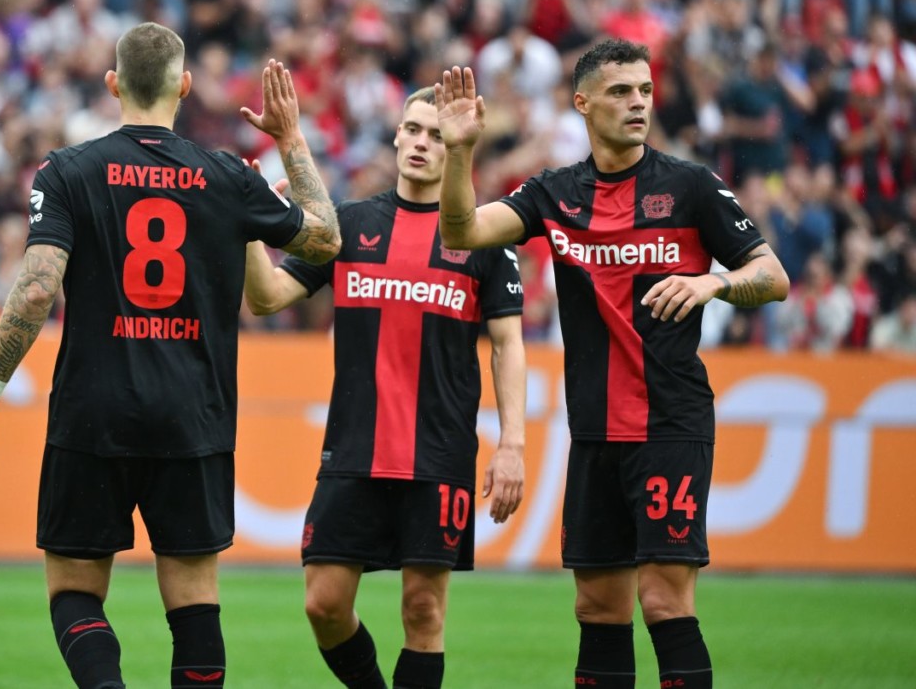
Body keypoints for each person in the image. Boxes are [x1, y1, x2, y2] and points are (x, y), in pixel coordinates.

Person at [0, 22, 340, 689]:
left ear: (112, 84)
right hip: (193, 413)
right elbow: (325, 241)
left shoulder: (66, 171)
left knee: (75, 590)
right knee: (194, 598)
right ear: (185, 86)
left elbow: (37, 285)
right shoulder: (225, 173)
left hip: (93, 410)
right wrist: (291, 139)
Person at [435, 40, 790, 689]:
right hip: (595, 432)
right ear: (582, 102)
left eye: (645, 91)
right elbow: (460, 231)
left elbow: (772, 275)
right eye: (622, 91)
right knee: (596, 606)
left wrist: (715, 284)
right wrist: (459, 152)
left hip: (670, 423)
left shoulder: (690, 185)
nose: (637, 103)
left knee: (663, 600)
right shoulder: (554, 192)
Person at [242, 86, 527, 689]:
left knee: (423, 611)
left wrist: (512, 446)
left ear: (455, 147)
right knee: (323, 603)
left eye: (436, 134)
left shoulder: (483, 237)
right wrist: (247, 226)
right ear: (396, 137)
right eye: (413, 130)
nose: (422, 143)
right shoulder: (347, 225)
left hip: (439, 451)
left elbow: (508, 345)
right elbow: (266, 299)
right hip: (354, 449)